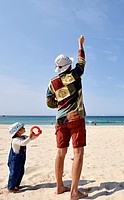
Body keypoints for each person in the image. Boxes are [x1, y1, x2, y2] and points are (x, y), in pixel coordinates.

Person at [46, 35, 88, 199]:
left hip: (60, 120)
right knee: (78, 153)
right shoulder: (74, 75)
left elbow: (49, 102)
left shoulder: (52, 82)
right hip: (76, 118)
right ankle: (74, 192)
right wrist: (80, 44)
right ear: (68, 66)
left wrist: (61, 106)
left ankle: (59, 187)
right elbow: (82, 62)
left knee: (60, 153)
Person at [7, 122, 41, 192]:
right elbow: (23, 143)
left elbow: (31, 138)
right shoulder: (15, 140)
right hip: (15, 159)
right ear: (17, 131)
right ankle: (10, 187)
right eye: (22, 128)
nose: (24, 128)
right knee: (14, 173)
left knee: (21, 172)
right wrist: (30, 137)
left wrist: (38, 134)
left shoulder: (23, 137)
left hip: (21, 158)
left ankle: (16, 185)